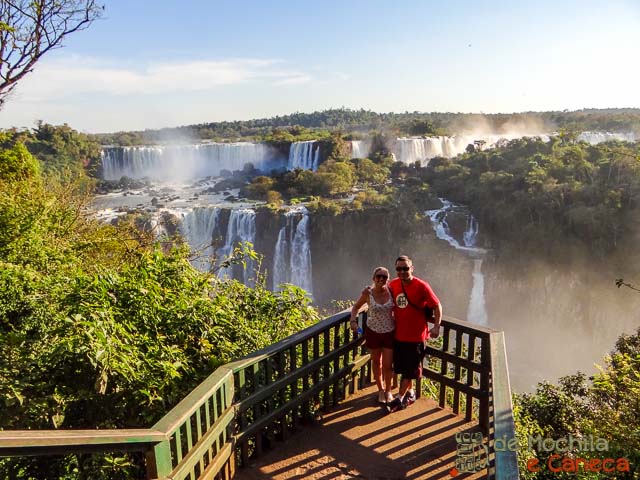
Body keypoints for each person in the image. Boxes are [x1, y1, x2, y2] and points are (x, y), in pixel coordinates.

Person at [386, 255, 442, 412]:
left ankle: (399, 398)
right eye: (399, 269)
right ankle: (410, 393)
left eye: (405, 268)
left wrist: (437, 326)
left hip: (417, 337)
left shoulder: (422, 286)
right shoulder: (393, 285)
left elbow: (437, 306)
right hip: (399, 336)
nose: (402, 271)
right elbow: (383, 297)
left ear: (412, 268)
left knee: (410, 369)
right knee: (404, 369)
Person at [350, 266, 395, 404]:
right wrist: (353, 321)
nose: (381, 279)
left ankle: (388, 391)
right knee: (376, 362)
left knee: (388, 365)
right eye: (378, 277)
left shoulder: (392, 292)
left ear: (388, 279)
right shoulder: (367, 293)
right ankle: (380, 390)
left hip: (389, 332)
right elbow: (356, 307)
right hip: (373, 332)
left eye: (384, 277)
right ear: (373, 279)